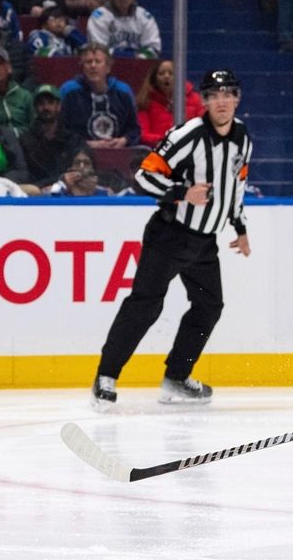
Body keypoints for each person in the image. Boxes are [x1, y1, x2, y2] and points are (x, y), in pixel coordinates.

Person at [91, 69, 252, 409]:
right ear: (204, 101)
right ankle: (106, 375)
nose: (222, 101)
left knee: (209, 306)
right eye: (214, 95)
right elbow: (142, 177)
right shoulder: (187, 135)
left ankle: (176, 377)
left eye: (228, 94)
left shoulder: (243, 137)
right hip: (170, 235)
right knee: (145, 304)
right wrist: (181, 192)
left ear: (237, 99)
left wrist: (240, 227)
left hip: (205, 242)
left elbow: (235, 185)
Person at [58, 42, 141, 148]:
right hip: (77, 154)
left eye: (98, 61)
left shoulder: (123, 91)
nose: (93, 66)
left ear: (108, 67)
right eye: (88, 62)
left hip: (117, 153)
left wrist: (124, 140)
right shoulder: (69, 91)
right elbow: (60, 131)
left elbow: (134, 129)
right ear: (82, 67)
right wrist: (87, 145)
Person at [20, 84, 85, 187]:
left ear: (58, 106)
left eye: (50, 103)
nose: (46, 107)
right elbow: (24, 177)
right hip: (37, 196)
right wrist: (59, 180)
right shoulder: (25, 140)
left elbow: (80, 171)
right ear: (35, 108)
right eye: (41, 103)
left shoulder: (73, 139)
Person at [87, 0, 161, 59]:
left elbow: (154, 47)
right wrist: (130, 56)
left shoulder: (144, 17)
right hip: (108, 67)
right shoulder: (99, 17)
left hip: (139, 66)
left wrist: (140, 57)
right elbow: (98, 49)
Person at [136, 59, 205, 148]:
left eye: (171, 73)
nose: (166, 76)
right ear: (154, 78)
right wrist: (166, 141)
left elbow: (203, 127)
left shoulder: (195, 99)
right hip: (157, 151)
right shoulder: (145, 101)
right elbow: (142, 134)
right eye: (161, 73)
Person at [0, 48, 34, 135]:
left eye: (1, 63)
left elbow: (35, 126)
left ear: (9, 68)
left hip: (25, 141)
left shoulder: (25, 95)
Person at [42, 146, 112, 196]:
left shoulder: (105, 193)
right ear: (69, 168)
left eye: (87, 163)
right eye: (77, 163)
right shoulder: (57, 189)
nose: (81, 167)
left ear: (93, 169)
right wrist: (64, 185)